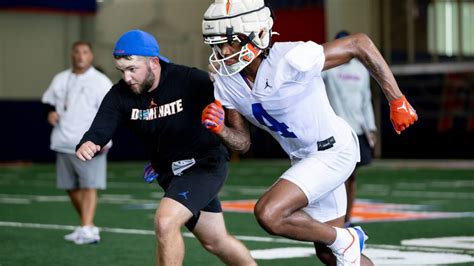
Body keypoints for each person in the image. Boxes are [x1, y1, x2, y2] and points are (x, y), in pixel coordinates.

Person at [200, 0, 417, 265]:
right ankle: (343, 242)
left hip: (334, 149)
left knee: (269, 213)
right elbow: (242, 142)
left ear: (257, 33)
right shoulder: (226, 81)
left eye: (229, 42)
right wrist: (221, 129)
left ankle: (344, 239)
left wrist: (397, 100)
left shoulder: (291, 58)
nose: (222, 51)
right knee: (330, 255)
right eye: (216, 44)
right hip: (304, 158)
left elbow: (359, 43)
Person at [75, 29, 256, 266]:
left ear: (153, 62)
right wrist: (89, 142)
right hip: (170, 174)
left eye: (132, 70)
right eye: (122, 71)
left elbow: (235, 100)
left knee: (165, 221)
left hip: (204, 166)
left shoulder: (189, 80)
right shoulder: (120, 94)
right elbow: (101, 126)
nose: (127, 78)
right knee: (215, 241)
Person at [41, 41, 113, 245]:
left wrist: (102, 139)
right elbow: (47, 101)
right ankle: (87, 225)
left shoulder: (100, 81)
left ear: (91, 56)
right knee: (70, 187)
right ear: (71, 54)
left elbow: (111, 111)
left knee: (89, 185)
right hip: (63, 140)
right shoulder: (60, 78)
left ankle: (87, 228)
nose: (80, 56)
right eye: (77, 52)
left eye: (85, 52)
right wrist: (50, 113)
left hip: (90, 143)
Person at [322, 30, 377, 226]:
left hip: (358, 130)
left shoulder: (361, 70)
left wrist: (371, 128)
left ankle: (347, 217)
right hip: (335, 129)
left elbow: (366, 100)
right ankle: (335, 218)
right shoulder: (328, 69)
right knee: (338, 177)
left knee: (351, 176)